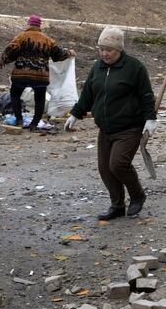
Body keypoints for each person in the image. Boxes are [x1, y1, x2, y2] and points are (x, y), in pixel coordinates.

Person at [64, 27, 157, 220]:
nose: (105, 53)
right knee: (105, 168)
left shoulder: (134, 67)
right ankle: (117, 206)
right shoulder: (97, 67)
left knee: (118, 164)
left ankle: (137, 195)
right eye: (101, 49)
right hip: (105, 128)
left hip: (129, 127)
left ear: (119, 50)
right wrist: (75, 114)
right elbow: (88, 94)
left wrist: (150, 119)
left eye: (109, 50)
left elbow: (146, 95)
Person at [0, 15, 75, 131]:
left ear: (29, 24)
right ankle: (34, 124)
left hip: (21, 74)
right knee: (39, 99)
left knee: (15, 95)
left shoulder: (21, 37)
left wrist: (4, 60)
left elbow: (10, 51)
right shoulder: (47, 40)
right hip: (40, 75)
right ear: (39, 26)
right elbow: (58, 55)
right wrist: (69, 53)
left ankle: (19, 119)